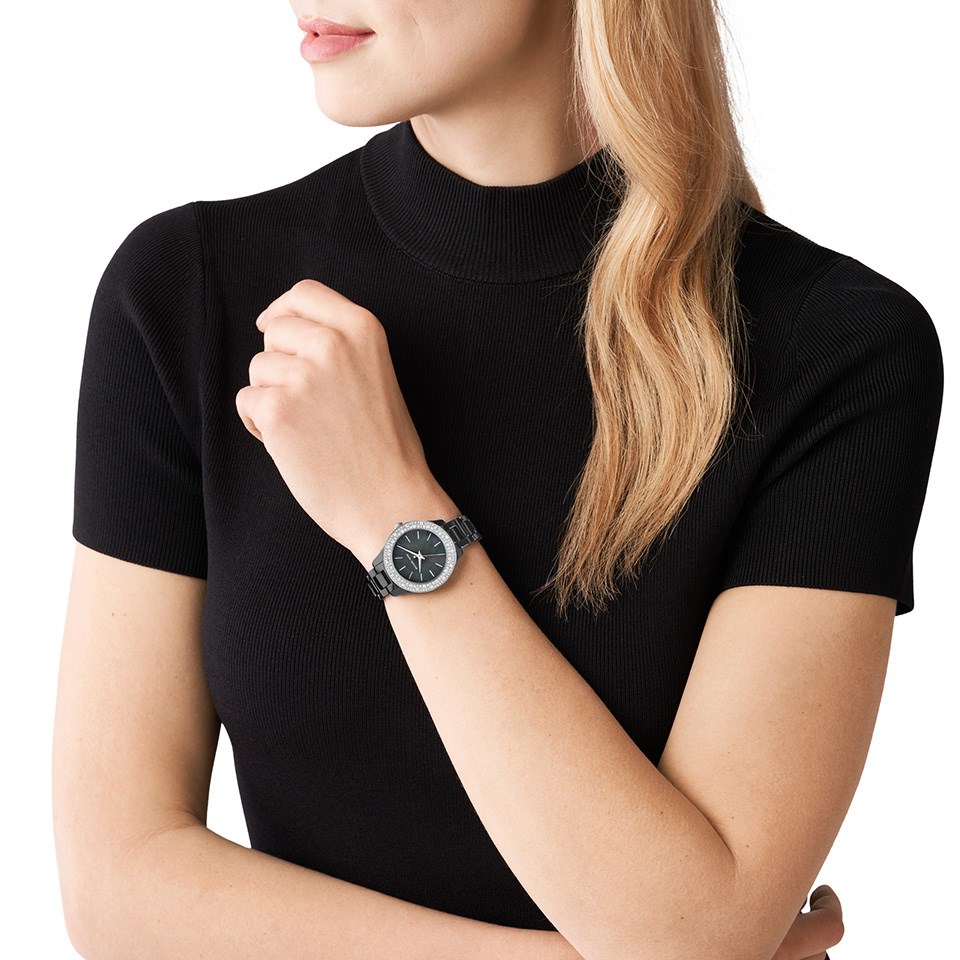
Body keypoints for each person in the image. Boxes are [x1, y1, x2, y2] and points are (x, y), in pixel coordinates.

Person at [53, 0, 943, 958]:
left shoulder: (835, 352)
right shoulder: (187, 294)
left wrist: (395, 516)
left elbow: (697, 931)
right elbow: (117, 889)